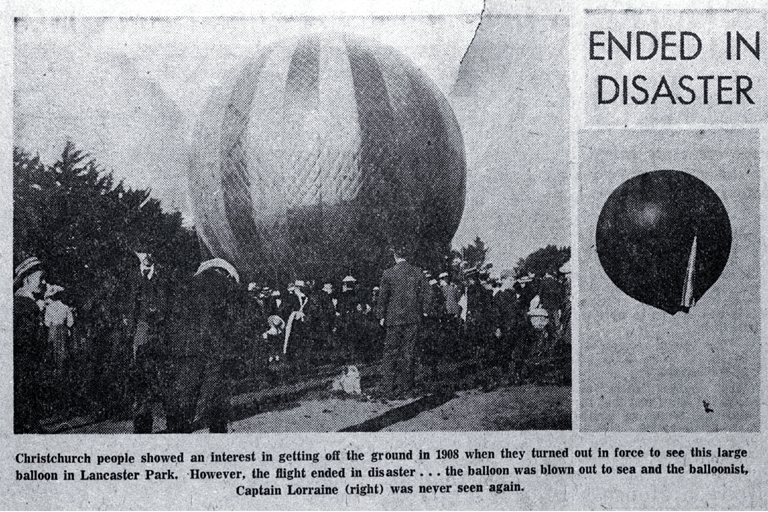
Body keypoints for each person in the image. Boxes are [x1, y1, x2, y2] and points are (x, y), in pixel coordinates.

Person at [165, 258, 240, 433]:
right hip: (214, 348)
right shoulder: (226, 286)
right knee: (216, 399)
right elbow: (235, 319)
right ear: (226, 273)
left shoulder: (186, 284)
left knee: (185, 395)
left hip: (185, 349)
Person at [375, 246, 430, 398]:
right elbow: (427, 292)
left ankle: (388, 388)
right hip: (413, 319)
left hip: (393, 319)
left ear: (395, 256)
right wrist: (424, 311)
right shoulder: (417, 272)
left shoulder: (388, 273)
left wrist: (381, 315)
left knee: (390, 353)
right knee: (408, 352)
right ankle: (406, 388)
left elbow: (382, 297)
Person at [14, 256, 47, 433]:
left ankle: (29, 422)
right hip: (25, 356)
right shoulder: (24, 304)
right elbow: (26, 335)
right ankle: (29, 424)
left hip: (27, 355)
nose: (43, 282)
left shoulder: (26, 303)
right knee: (26, 388)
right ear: (27, 280)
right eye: (40, 278)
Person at [43, 284, 74, 384]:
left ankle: (52, 373)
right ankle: (61, 374)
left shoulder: (49, 308)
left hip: (52, 330)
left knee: (51, 349)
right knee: (63, 350)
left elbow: (47, 323)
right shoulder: (66, 308)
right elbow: (70, 322)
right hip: (62, 330)